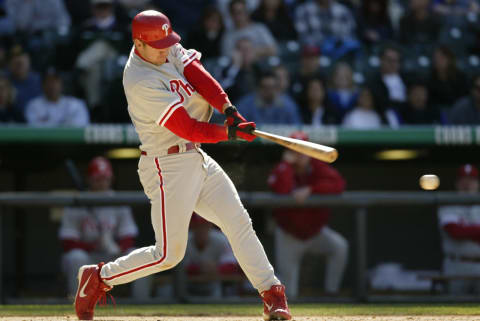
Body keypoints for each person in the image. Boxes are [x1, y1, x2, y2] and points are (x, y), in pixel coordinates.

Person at [73, 10, 291, 321]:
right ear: (139, 44)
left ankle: (272, 294)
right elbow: (187, 127)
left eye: (167, 41)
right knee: (168, 255)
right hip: (167, 164)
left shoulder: (162, 43)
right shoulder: (139, 79)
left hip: (196, 157)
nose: (166, 48)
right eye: (158, 45)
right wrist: (230, 133)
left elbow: (197, 73)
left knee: (238, 221)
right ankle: (98, 277)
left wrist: (227, 108)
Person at [268, 131, 348, 298]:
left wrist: (312, 189)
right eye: (295, 149)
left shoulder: (317, 166)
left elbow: (338, 184)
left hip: (315, 233)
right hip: (289, 236)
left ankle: (331, 292)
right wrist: (287, 165)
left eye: (303, 149)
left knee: (340, 247)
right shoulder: (282, 169)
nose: (299, 154)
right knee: (289, 293)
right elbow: (282, 190)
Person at [59, 157, 150, 300]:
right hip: (88, 257)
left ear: (111, 179)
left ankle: (141, 302)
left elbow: (129, 236)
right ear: (89, 179)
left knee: (137, 254)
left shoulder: (118, 201)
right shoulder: (77, 203)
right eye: (97, 179)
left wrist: (118, 248)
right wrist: (93, 246)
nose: (102, 183)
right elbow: (67, 242)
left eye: (105, 178)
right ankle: (78, 301)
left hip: (112, 255)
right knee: (75, 257)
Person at [437, 164, 480, 294]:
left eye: (471, 180)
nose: (467, 184)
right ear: (457, 183)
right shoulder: (448, 204)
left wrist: (467, 229)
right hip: (457, 264)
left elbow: (462, 231)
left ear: (477, 183)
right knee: (453, 308)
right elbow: (455, 232)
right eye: (463, 180)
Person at [184, 213, 241, 297]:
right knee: (167, 290)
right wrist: (199, 268)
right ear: (192, 227)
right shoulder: (184, 241)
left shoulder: (220, 239)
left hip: (214, 284)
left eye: (204, 225)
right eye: (197, 226)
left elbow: (232, 265)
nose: (201, 229)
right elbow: (179, 268)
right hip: (188, 284)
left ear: (210, 226)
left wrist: (216, 268)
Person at [25, 68, 90, 127]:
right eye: (48, 81)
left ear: (61, 83)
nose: (52, 85)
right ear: (42, 85)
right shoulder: (34, 105)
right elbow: (34, 130)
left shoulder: (76, 104)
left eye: (55, 81)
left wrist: (50, 124)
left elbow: (80, 127)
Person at [236, 70, 302, 124]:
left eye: (272, 87)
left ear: (277, 88)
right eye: (265, 87)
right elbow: (237, 127)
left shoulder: (288, 106)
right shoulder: (245, 105)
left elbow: (296, 129)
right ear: (259, 88)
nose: (269, 91)